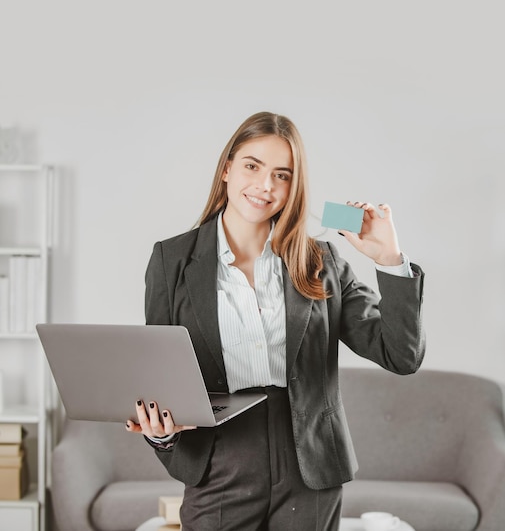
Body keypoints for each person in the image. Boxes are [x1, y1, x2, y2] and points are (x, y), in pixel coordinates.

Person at [126, 111, 425, 531]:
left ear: (293, 186)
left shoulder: (321, 261)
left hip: (310, 465)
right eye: (252, 166)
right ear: (227, 168)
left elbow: (402, 354)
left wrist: (389, 259)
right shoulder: (171, 260)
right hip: (218, 461)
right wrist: (162, 432)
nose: (265, 186)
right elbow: (163, 376)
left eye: (282, 175)